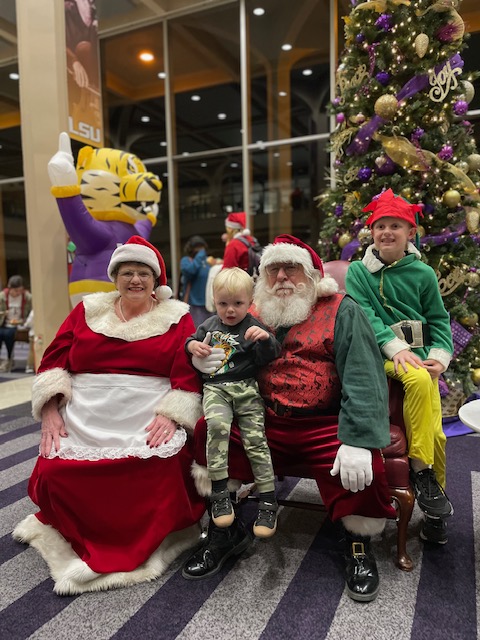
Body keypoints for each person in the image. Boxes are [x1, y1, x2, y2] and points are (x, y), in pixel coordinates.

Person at [183, 234, 397, 603]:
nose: (282, 276)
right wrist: (200, 358)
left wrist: (359, 439)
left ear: (312, 275)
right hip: (261, 419)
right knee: (209, 432)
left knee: (363, 467)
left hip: (322, 424)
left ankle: (357, 542)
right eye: (273, 269)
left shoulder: (342, 310)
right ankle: (227, 530)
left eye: (291, 268)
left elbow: (364, 377)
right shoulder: (249, 310)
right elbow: (214, 349)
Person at [12, 236, 206, 595]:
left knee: (158, 465)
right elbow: (53, 359)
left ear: (156, 280)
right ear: (114, 277)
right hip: (84, 412)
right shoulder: (87, 310)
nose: (135, 280)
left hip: (145, 411)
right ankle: (85, 534)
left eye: (143, 273)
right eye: (127, 272)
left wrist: (173, 414)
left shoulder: (176, 316)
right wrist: (51, 408)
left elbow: (186, 374)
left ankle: (131, 541)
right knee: (56, 468)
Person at [345, 189, 454, 545]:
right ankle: (422, 472)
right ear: (371, 232)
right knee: (420, 380)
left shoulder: (422, 273)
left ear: (410, 233)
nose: (387, 232)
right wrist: (395, 350)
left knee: (435, 428)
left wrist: (439, 355)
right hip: (379, 356)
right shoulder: (359, 272)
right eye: (381, 226)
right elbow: (366, 315)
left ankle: (431, 497)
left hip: (420, 356)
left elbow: (438, 319)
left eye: (396, 226)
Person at [186, 267, 282, 538]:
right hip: (216, 389)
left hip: (246, 389)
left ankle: (267, 498)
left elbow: (270, 355)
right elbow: (190, 342)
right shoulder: (209, 325)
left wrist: (265, 340)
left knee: (256, 441)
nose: (230, 310)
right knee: (216, 427)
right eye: (223, 304)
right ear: (214, 302)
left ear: (249, 302)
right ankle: (219, 492)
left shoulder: (253, 325)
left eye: (237, 304)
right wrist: (193, 348)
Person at [0, 275, 33, 372]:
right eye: (15, 291)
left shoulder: (27, 297)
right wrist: (2, 314)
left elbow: (31, 312)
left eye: (20, 290)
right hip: (4, 323)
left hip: (21, 323)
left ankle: (10, 358)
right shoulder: (2, 297)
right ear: (10, 289)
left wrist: (24, 321)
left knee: (9, 335)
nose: (18, 293)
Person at [180, 235, 213, 327]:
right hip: (195, 304)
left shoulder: (207, 263)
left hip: (209, 304)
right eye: (197, 247)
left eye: (202, 247)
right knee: (197, 332)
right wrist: (199, 257)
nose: (200, 250)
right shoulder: (186, 260)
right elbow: (190, 271)